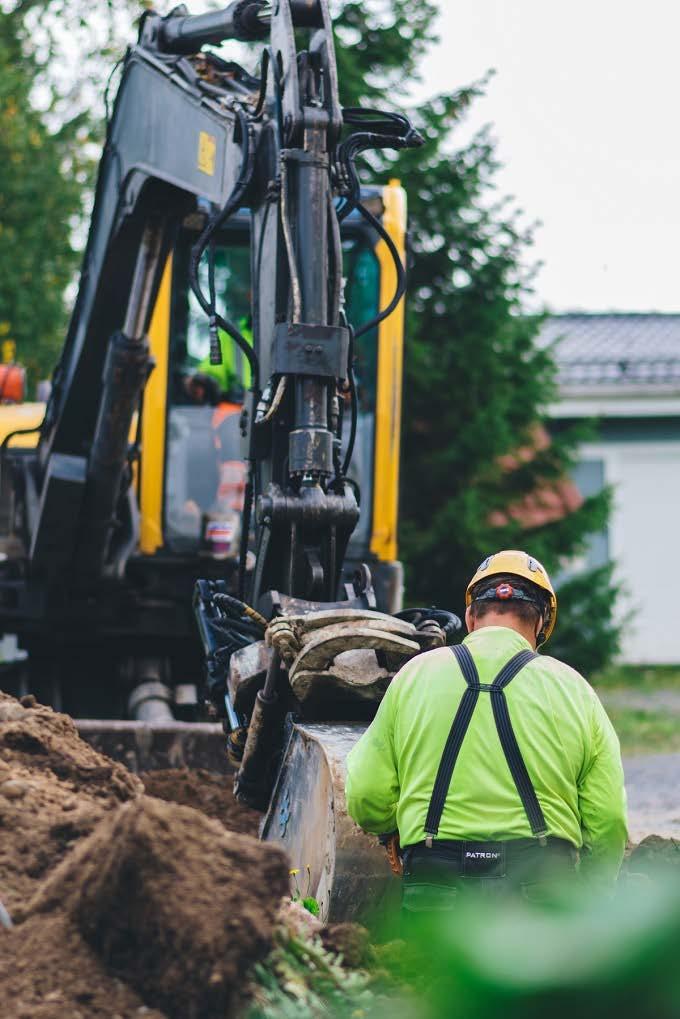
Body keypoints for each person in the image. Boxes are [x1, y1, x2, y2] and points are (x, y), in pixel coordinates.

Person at [345, 550, 627, 914]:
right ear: (542, 623)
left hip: (435, 884)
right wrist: (592, 891)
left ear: (469, 616)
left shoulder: (414, 677)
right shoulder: (573, 688)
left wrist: (393, 830)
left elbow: (365, 795)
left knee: (427, 973)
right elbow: (609, 819)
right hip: (543, 885)